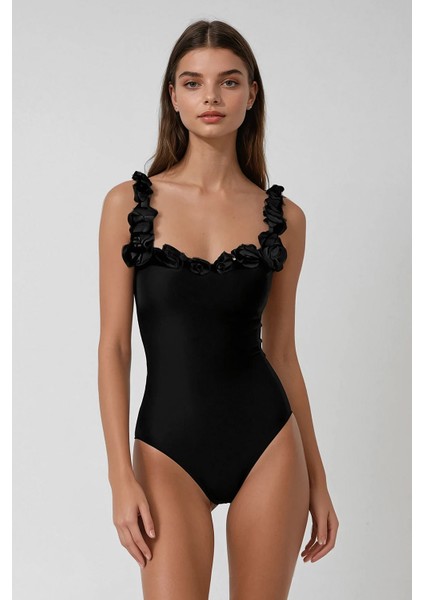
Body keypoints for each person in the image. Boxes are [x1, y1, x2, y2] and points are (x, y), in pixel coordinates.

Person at [98, 19, 339, 600]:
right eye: (193, 82)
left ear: (251, 94)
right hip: (167, 449)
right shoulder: (128, 205)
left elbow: (283, 352)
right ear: (173, 96)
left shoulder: (286, 220)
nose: (211, 97)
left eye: (229, 82)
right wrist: (119, 476)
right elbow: (114, 347)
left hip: (269, 444)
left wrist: (318, 478)